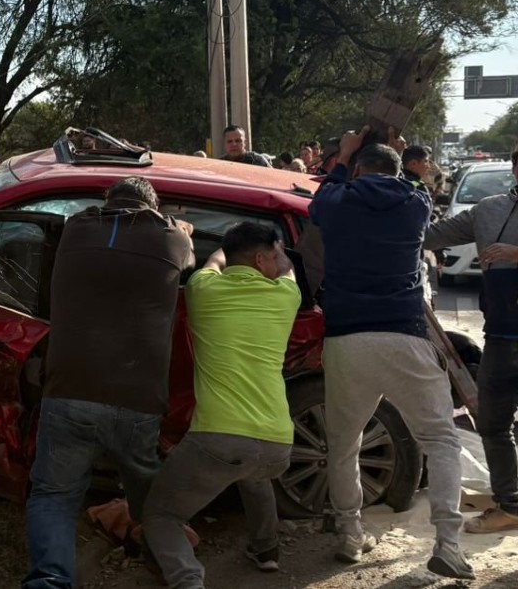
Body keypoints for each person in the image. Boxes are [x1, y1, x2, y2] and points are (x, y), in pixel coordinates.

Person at [310, 129, 472, 579]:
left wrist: (341, 156)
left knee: (344, 445)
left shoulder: (337, 201)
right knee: (440, 439)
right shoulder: (415, 204)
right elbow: (422, 184)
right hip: (405, 335)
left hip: (347, 339)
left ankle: (348, 532)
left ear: (357, 170)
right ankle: (448, 544)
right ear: (398, 171)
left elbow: (320, 200)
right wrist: (399, 159)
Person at [24, 178, 194, 589]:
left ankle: (49, 581)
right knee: (146, 495)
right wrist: (179, 227)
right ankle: (167, 561)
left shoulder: (75, 230)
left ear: (106, 201)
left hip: (68, 389)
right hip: (137, 399)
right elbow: (188, 257)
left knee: (53, 495)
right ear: (155, 209)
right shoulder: (172, 242)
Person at [142, 223, 300, 589]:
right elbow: (289, 271)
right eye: (273, 256)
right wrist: (282, 255)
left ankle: (187, 580)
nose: (277, 263)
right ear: (261, 260)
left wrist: (219, 250)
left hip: (218, 440)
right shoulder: (285, 297)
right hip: (278, 442)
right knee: (252, 468)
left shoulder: (203, 290)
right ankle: (266, 550)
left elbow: (213, 263)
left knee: (160, 514)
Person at [423, 148, 518, 535]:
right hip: (500, 335)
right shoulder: (489, 209)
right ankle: (510, 504)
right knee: (494, 425)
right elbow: (429, 235)